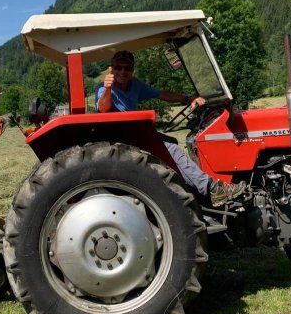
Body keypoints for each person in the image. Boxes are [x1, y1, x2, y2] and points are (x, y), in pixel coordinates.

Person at [96, 50, 245, 207]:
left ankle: (192, 189)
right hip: (119, 138)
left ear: (132, 70)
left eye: (127, 68)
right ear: (111, 69)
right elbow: (103, 108)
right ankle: (211, 188)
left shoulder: (135, 85)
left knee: (171, 141)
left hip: (134, 134)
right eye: (118, 67)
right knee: (171, 148)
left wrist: (187, 98)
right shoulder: (104, 88)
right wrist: (107, 88)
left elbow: (161, 94)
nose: (122, 72)